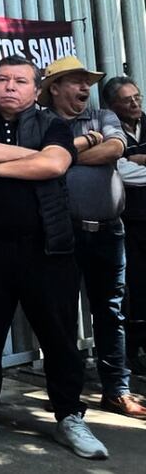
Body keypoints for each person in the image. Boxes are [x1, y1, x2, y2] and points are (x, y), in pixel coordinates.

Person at [0, 54, 108, 459]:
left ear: (36, 90)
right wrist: (27, 155)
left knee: (58, 337)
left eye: (20, 81)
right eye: (2, 79)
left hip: (48, 248)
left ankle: (69, 415)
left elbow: (55, 163)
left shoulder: (52, 124)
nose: (10, 86)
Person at [41, 57, 146, 419]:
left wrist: (64, 156)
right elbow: (40, 159)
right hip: (62, 234)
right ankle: (66, 395)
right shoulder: (44, 122)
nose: (85, 87)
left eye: (87, 81)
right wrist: (80, 150)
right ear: (54, 88)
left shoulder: (104, 117)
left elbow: (115, 149)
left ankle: (117, 390)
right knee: (62, 315)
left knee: (111, 312)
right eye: (76, 81)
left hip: (108, 232)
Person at [102, 76, 146, 378]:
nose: (135, 103)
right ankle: (134, 352)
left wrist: (135, 160)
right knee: (134, 288)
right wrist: (132, 159)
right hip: (128, 222)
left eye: (137, 97)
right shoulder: (109, 132)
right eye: (126, 99)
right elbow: (115, 170)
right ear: (111, 105)